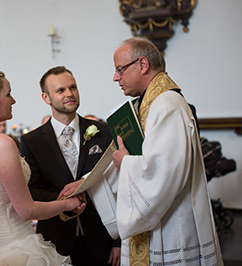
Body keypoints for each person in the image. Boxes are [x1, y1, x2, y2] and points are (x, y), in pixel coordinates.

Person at [66, 37, 222, 265]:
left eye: (120, 69)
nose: (115, 77)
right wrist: (86, 184)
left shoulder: (167, 104)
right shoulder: (148, 103)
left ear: (142, 64)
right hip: (161, 223)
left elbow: (164, 172)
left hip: (171, 230)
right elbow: (128, 157)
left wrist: (126, 163)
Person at [0, 65, 85, 265]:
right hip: (13, 249)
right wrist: (67, 204)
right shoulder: (0, 144)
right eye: (8, 94)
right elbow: (27, 210)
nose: (13, 100)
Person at [20, 66, 121, 266]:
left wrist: (118, 241)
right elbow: (32, 191)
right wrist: (65, 201)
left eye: (72, 87)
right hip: (56, 240)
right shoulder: (32, 141)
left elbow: (117, 185)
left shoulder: (104, 131)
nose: (69, 94)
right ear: (46, 98)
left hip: (102, 238)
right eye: (61, 90)